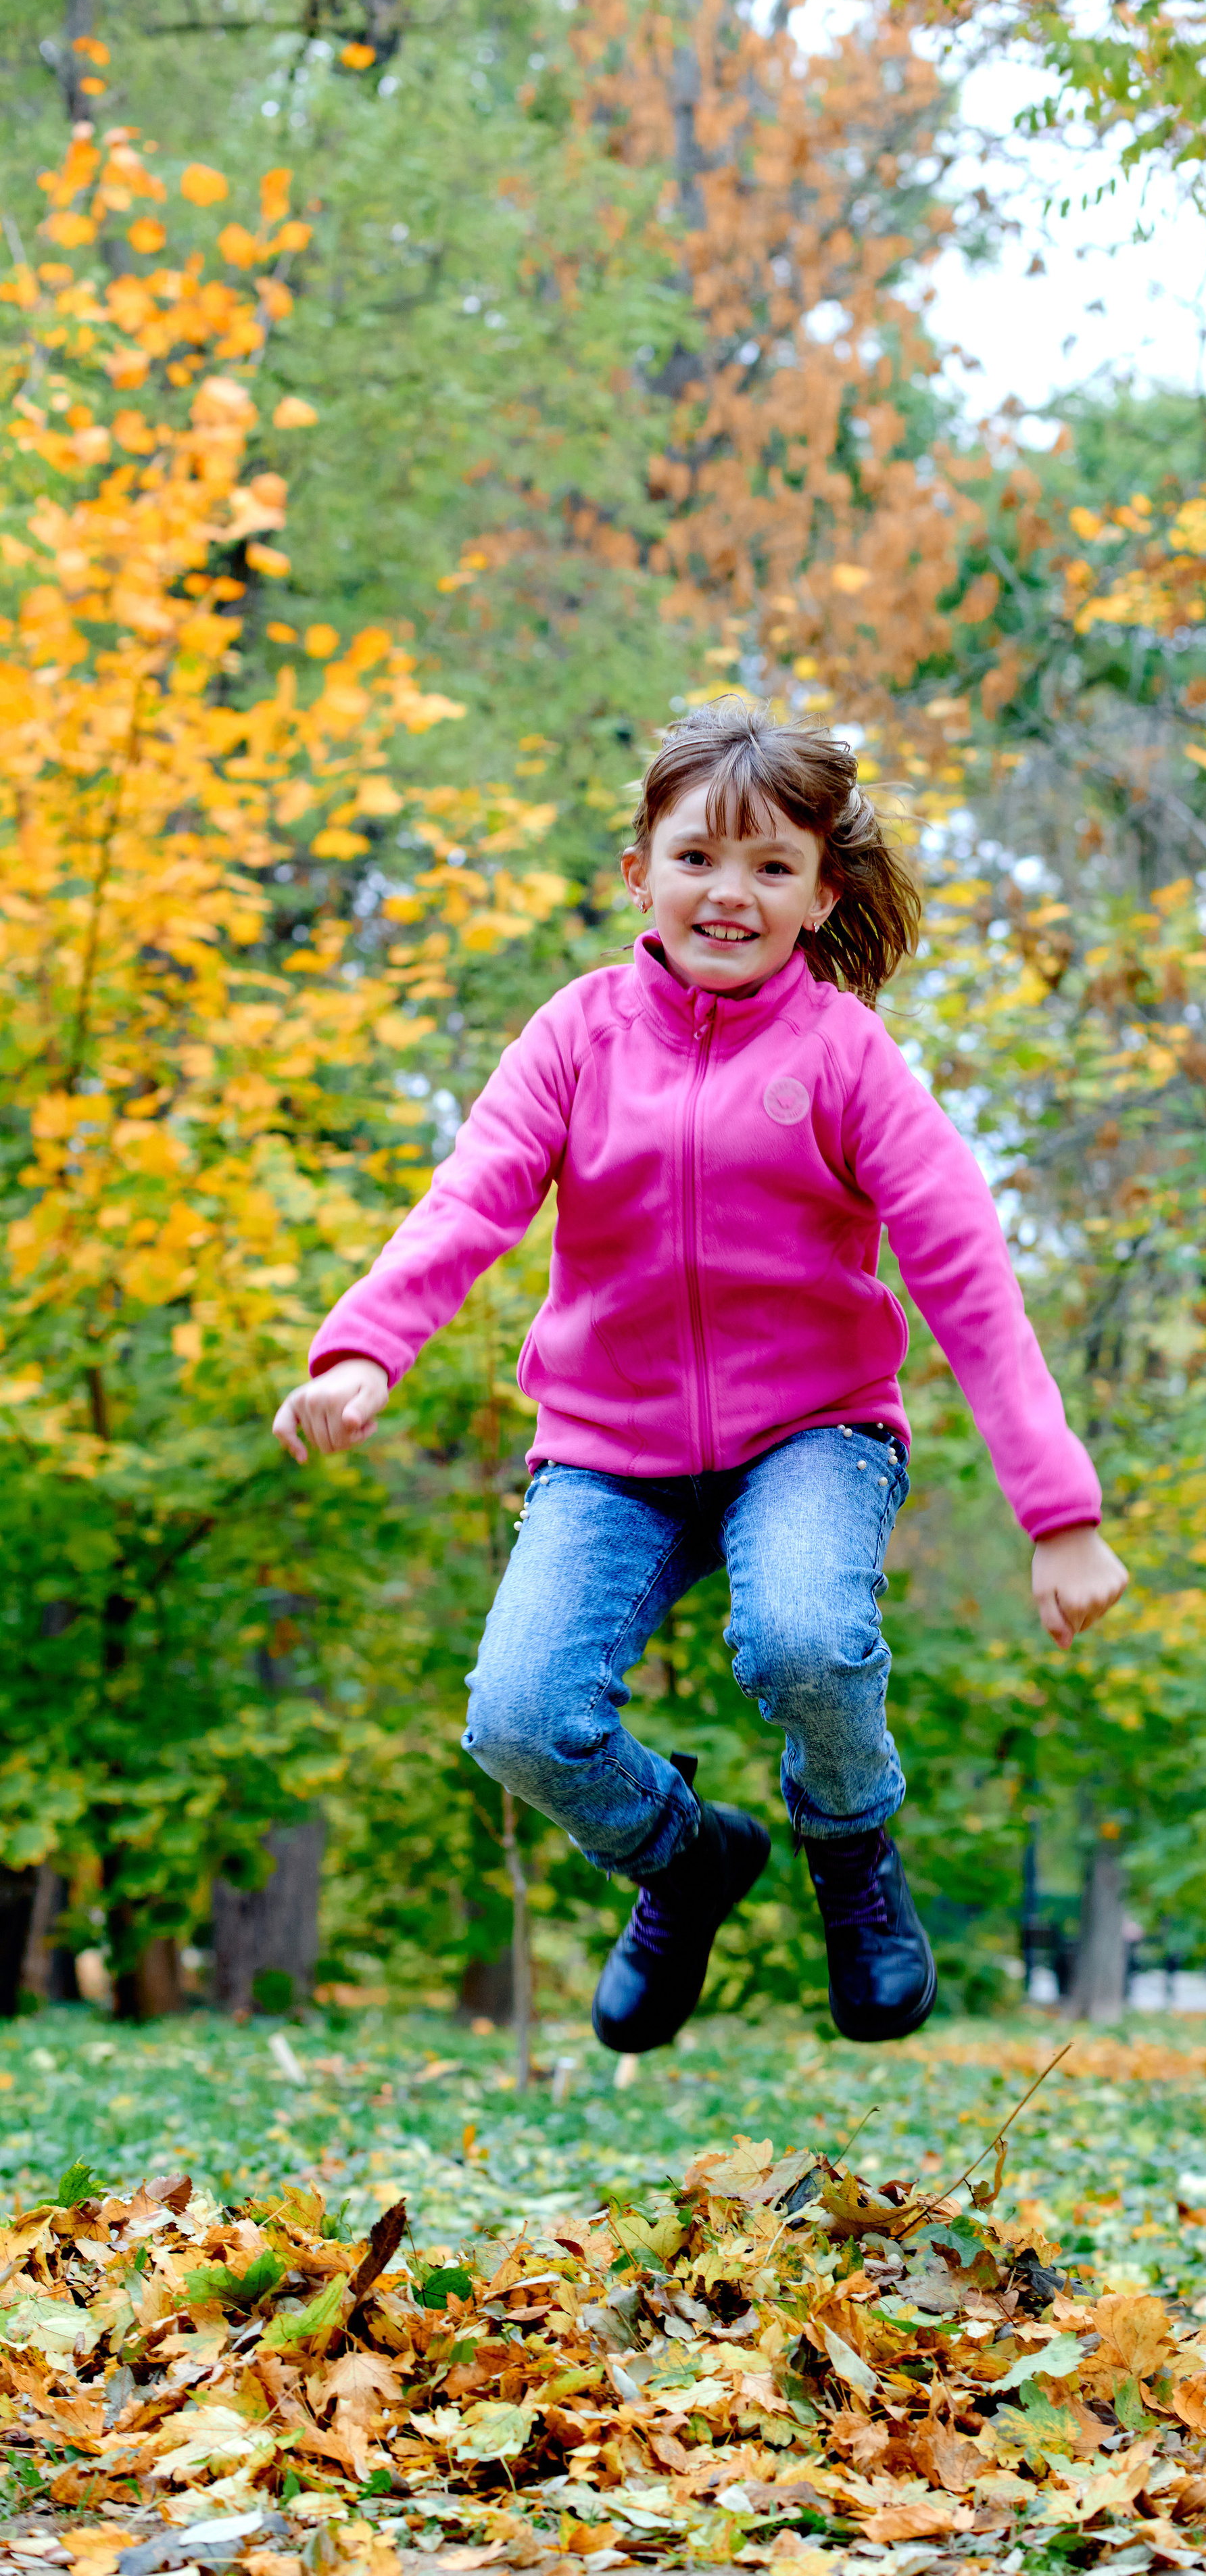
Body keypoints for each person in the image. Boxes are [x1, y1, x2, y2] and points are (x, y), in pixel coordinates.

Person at [272, 701, 1127, 2053]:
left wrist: (1057, 1512)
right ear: (639, 873)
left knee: (801, 1637)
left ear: (819, 892)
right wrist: (366, 1348)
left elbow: (967, 1279)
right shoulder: (576, 1038)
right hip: (609, 1449)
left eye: (771, 867)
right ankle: (684, 1859)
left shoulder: (847, 1060)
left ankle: (851, 1856)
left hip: (812, 1433)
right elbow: (470, 1200)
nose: (730, 893)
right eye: (697, 859)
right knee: (517, 1718)